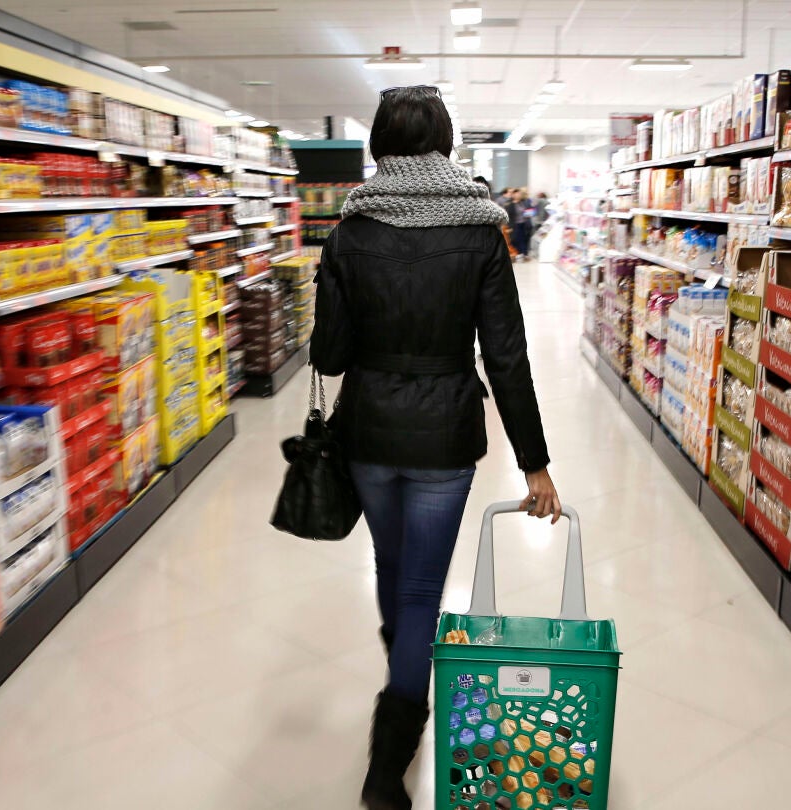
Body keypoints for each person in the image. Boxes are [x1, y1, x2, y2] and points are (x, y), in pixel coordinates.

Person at [311, 85, 561, 810]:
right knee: (422, 587)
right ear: (445, 144)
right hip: (446, 434)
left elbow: (329, 356)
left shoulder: (349, 231)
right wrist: (535, 462)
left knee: (392, 568)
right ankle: (386, 767)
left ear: (378, 145)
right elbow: (506, 356)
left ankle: (403, 668)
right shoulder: (481, 230)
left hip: (367, 430)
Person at [507, 188, 534, 260]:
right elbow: (508, 216)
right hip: (515, 225)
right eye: (517, 193)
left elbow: (531, 212)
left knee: (524, 239)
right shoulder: (510, 204)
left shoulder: (524, 202)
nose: (519, 195)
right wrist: (509, 227)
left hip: (524, 224)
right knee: (515, 240)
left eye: (519, 193)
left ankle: (524, 254)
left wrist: (529, 213)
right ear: (513, 195)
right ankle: (517, 254)